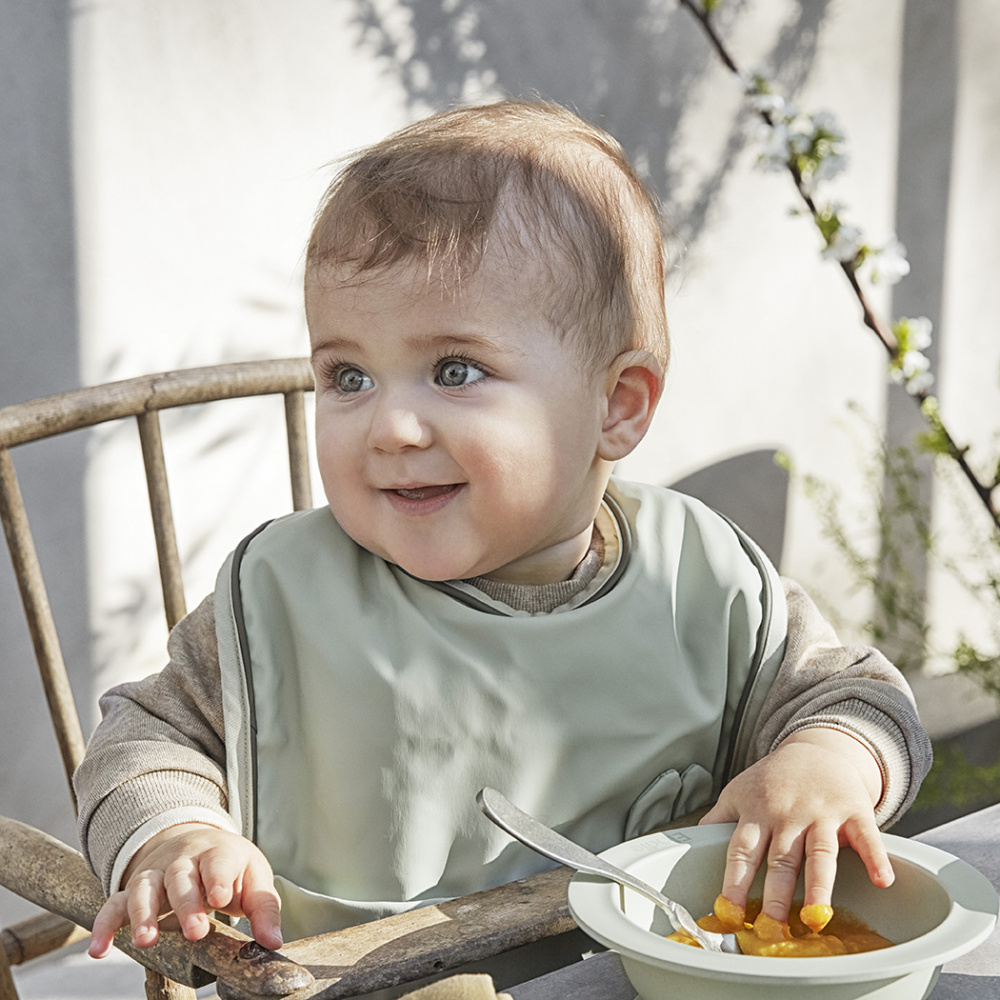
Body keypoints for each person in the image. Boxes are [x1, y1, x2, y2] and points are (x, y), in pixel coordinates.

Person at [75, 101, 931, 979]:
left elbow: (863, 699)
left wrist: (827, 763)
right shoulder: (284, 596)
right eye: (348, 376)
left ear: (617, 405)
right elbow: (144, 735)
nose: (392, 426)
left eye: (455, 370)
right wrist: (173, 832)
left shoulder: (702, 580)